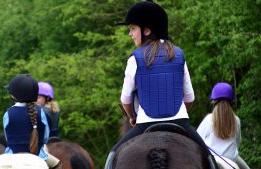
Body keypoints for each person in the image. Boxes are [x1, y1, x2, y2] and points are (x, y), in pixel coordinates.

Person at [104, 1, 218, 169]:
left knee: (111, 158)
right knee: (209, 158)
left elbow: (125, 99)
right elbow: (190, 98)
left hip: (144, 123)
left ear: (147, 30)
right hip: (180, 122)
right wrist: (180, 113)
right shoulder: (179, 55)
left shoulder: (134, 58)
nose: (130, 34)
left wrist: (132, 117)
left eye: (133, 28)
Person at [3, 74, 62, 169]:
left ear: (13, 96)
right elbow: (46, 137)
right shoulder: (40, 111)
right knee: (58, 165)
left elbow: (8, 138)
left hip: (12, 155)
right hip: (39, 155)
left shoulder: (8, 113)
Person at [197, 82, 250, 169]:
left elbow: (198, 140)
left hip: (211, 159)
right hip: (231, 159)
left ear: (214, 101)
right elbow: (237, 144)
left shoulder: (208, 119)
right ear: (231, 101)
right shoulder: (236, 120)